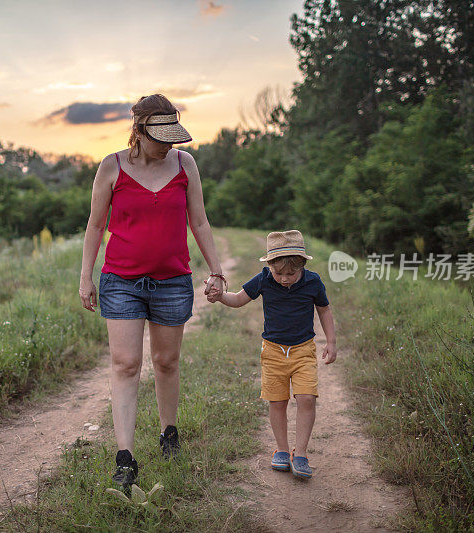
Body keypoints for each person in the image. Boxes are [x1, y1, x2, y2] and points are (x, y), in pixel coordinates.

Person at [79, 94, 225, 488]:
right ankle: (125, 457)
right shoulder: (111, 167)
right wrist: (85, 277)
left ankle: (169, 432)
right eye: (161, 138)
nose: (168, 146)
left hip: (172, 281)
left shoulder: (185, 164)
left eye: (172, 138)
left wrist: (216, 268)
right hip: (121, 281)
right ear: (139, 131)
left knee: (166, 362)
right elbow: (95, 226)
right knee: (126, 364)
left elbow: (199, 220)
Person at [207, 230, 336, 479]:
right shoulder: (264, 279)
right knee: (277, 401)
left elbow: (324, 309)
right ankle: (283, 450)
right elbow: (237, 299)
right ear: (269, 267)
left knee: (307, 398)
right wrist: (219, 296)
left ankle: (301, 453)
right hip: (273, 352)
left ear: (302, 265)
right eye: (279, 273)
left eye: (291, 274)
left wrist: (331, 341)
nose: (285, 279)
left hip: (303, 350)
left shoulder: (313, 282)